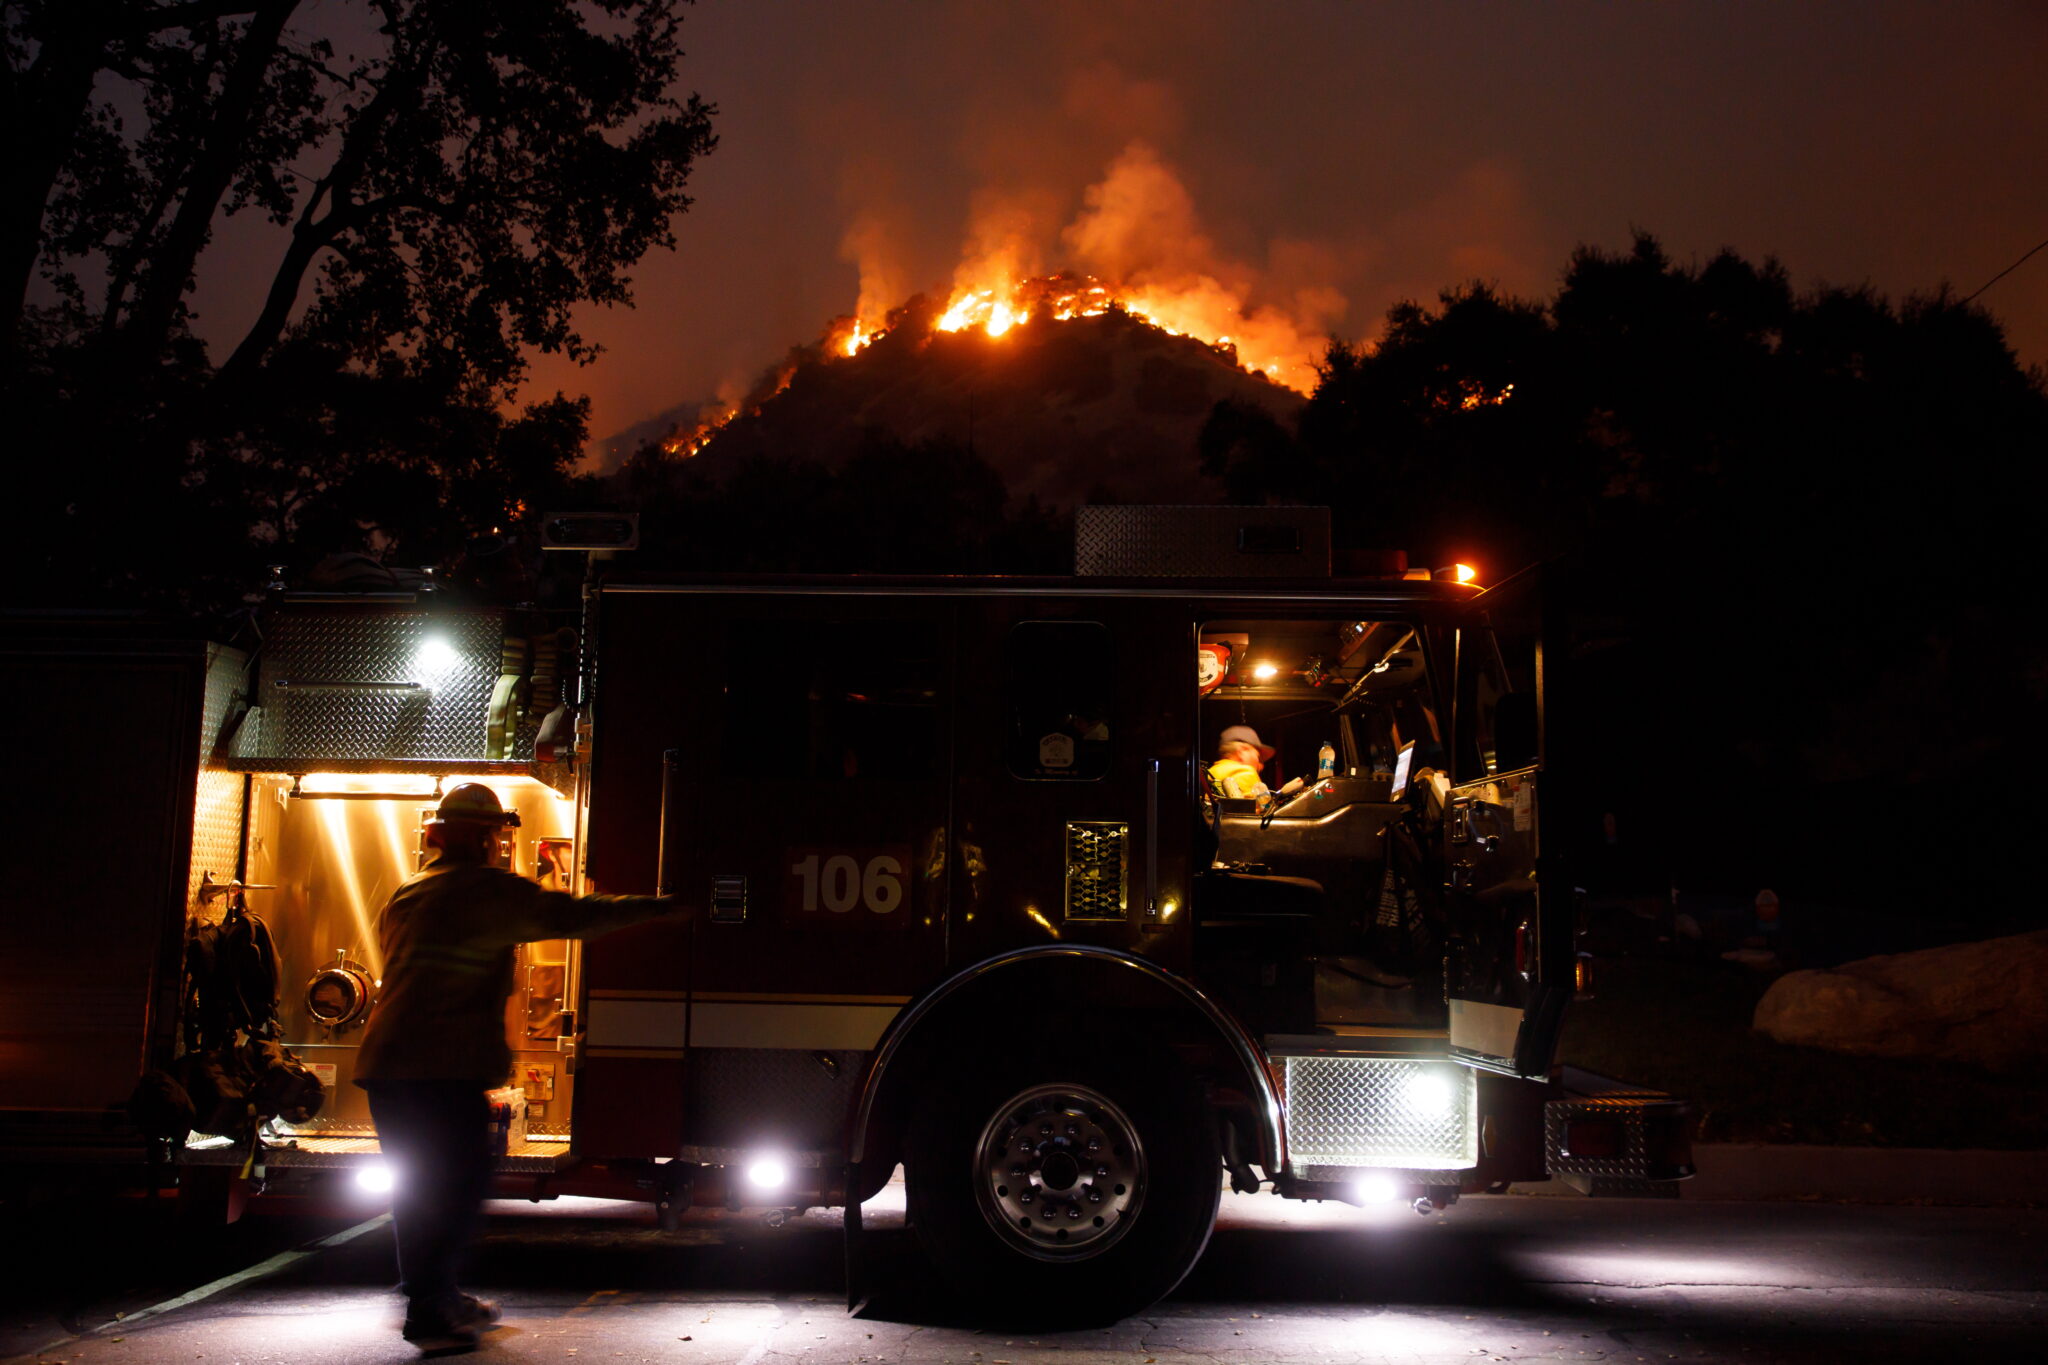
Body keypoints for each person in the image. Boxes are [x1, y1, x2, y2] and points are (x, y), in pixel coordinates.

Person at [354, 783, 688, 1353]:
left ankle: (429, 1295)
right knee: (460, 1181)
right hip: (440, 1068)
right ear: (487, 838)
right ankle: (434, 1307)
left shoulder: (410, 891)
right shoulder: (485, 892)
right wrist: (662, 907)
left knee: (418, 1186)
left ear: (435, 836)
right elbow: (576, 915)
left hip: (388, 1064)